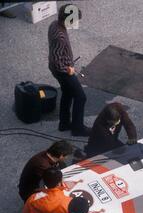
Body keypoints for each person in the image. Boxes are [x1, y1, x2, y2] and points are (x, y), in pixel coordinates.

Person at [48, 4, 90, 136]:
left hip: (59, 68)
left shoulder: (54, 24)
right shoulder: (60, 37)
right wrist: (68, 69)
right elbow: (56, 59)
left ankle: (64, 123)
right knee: (81, 97)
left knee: (67, 93)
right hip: (63, 71)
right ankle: (78, 128)